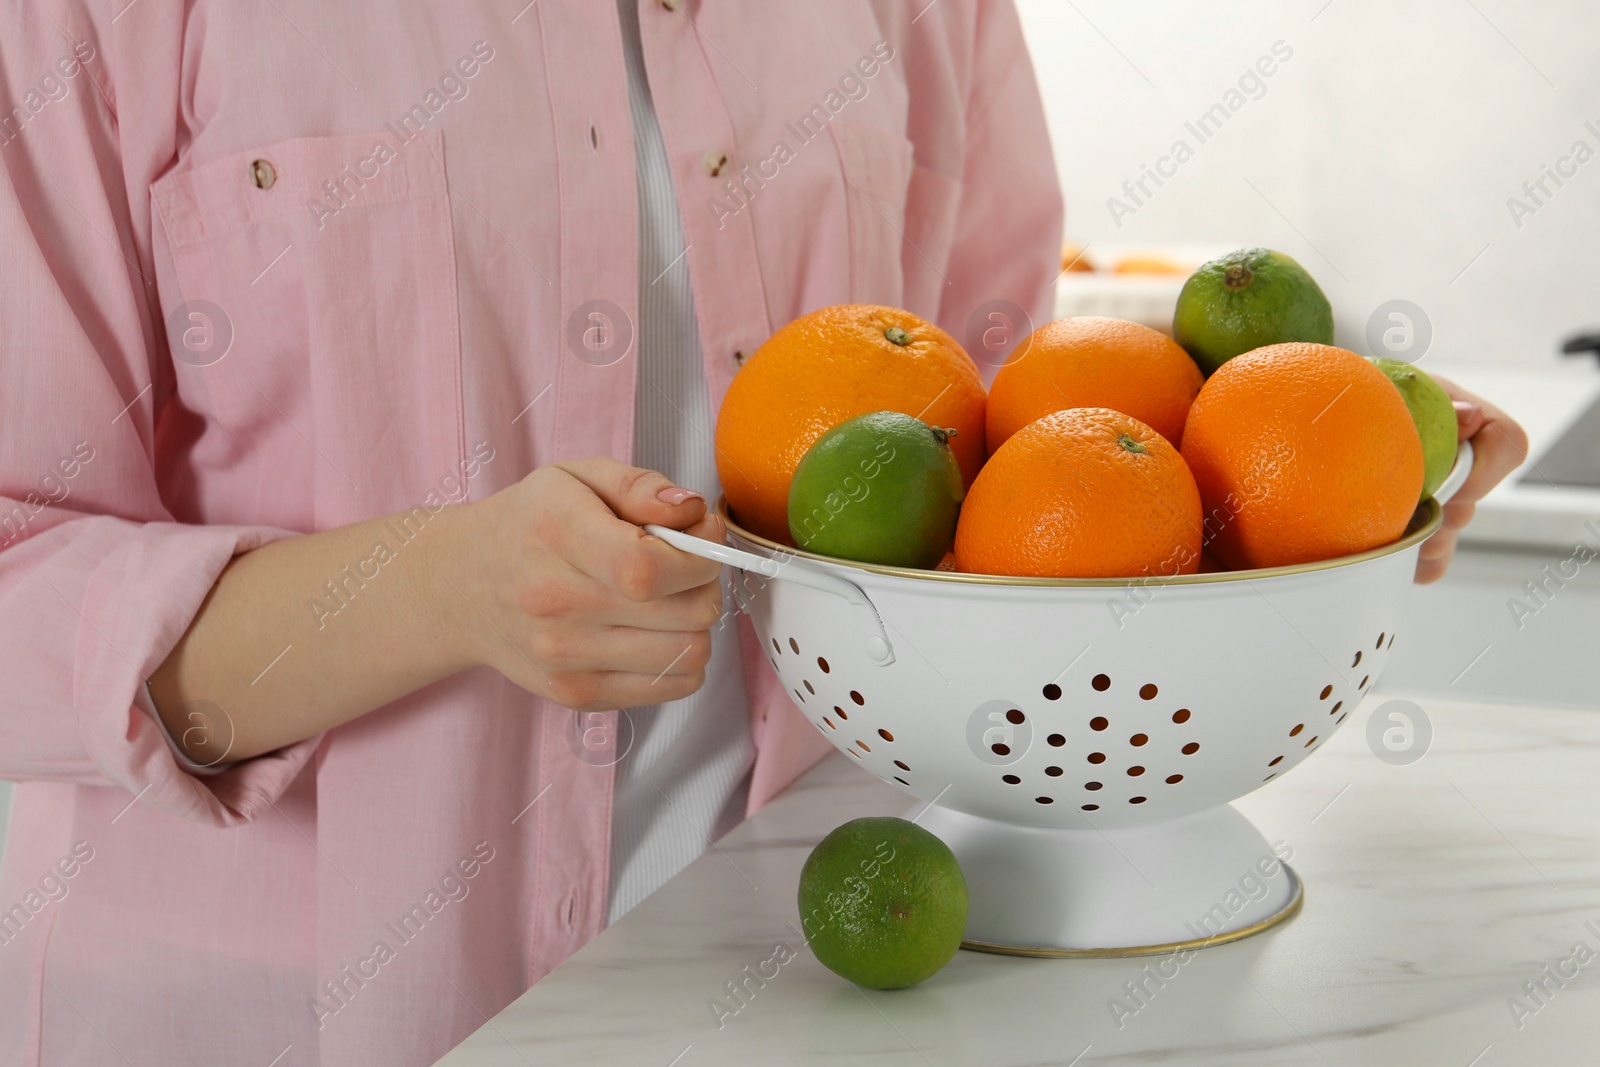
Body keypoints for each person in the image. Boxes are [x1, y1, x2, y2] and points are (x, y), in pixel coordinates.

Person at [0, 2, 1525, 1065]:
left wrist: (1321, 457)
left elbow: (1003, 477)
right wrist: (435, 592)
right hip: (279, 1018)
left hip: (812, 974)